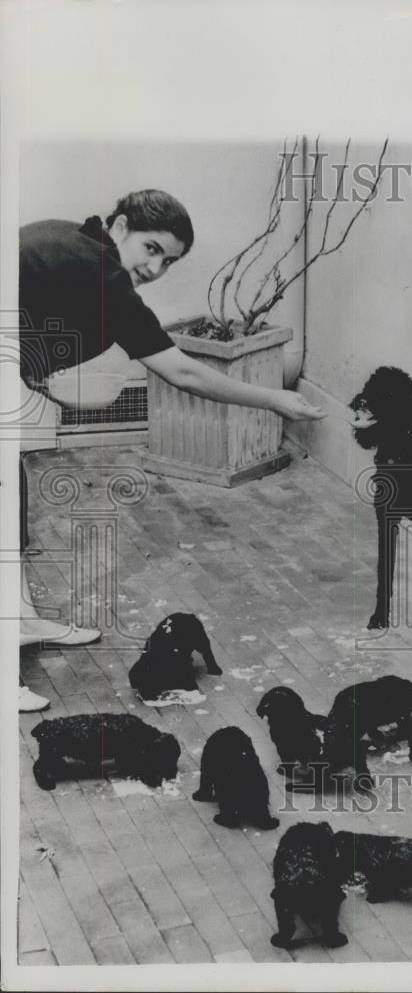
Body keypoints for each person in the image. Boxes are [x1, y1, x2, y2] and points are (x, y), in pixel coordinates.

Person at [17, 189, 326, 711]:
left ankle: (21, 620)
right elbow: (179, 369)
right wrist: (272, 398)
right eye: (152, 248)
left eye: (170, 260)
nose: (157, 267)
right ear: (118, 228)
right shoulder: (99, 269)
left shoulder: (69, 240)